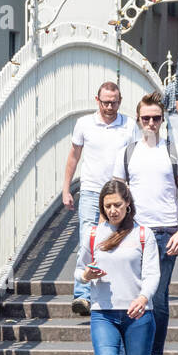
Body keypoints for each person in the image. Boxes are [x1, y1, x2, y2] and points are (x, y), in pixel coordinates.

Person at [76, 180, 158, 355]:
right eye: (107, 206)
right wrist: (86, 275)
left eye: (117, 205)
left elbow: (151, 274)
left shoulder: (143, 235)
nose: (112, 210)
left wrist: (144, 296)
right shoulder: (93, 235)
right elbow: (79, 270)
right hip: (103, 313)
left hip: (137, 315)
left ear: (128, 205)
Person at [113, 91, 178, 355]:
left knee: (158, 299)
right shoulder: (127, 153)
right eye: (146, 118)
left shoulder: (175, 152)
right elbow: (115, 197)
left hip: (165, 233)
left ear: (163, 120)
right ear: (138, 120)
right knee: (128, 297)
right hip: (133, 233)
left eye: (156, 118)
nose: (151, 123)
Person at [63, 82, 134, 317]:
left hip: (118, 193)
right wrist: (66, 189)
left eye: (114, 102)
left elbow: (135, 160)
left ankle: (111, 291)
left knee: (116, 240)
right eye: (105, 102)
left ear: (120, 101)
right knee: (87, 240)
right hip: (92, 191)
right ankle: (82, 294)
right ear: (97, 100)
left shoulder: (129, 126)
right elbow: (73, 156)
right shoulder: (84, 124)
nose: (109, 106)